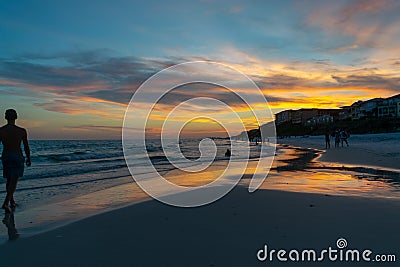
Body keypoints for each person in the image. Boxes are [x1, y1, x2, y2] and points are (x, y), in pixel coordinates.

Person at [0, 109, 31, 213]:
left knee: (9, 179)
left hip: (6, 156)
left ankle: (11, 201)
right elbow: (26, 146)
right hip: (17, 155)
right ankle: (5, 203)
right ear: (16, 117)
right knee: (14, 180)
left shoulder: (1, 130)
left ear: (5, 117)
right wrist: (28, 158)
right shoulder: (21, 131)